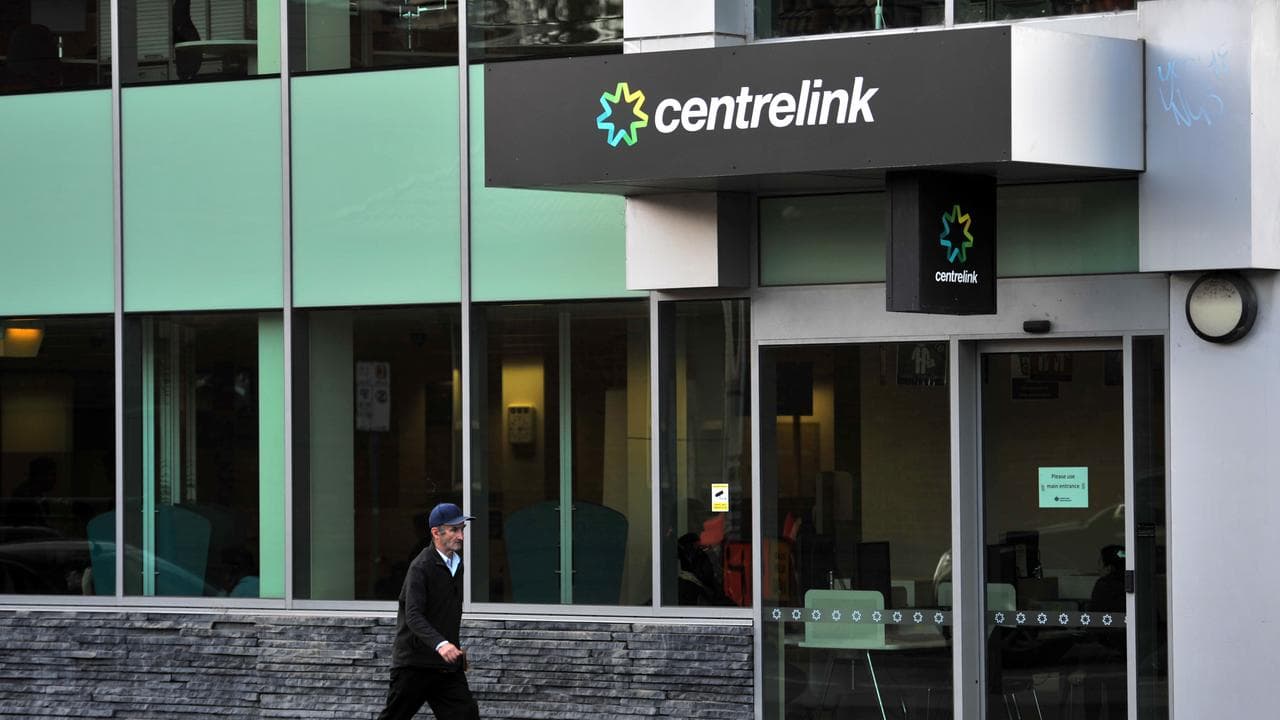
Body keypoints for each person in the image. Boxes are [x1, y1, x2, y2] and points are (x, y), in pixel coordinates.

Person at [378, 502, 480, 720]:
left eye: (462, 529)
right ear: (436, 532)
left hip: (445, 667)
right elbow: (413, 615)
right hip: (414, 664)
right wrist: (441, 644)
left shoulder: (456, 564)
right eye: (454, 530)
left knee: (466, 716)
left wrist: (452, 649)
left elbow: (444, 612)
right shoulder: (420, 567)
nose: (461, 536)